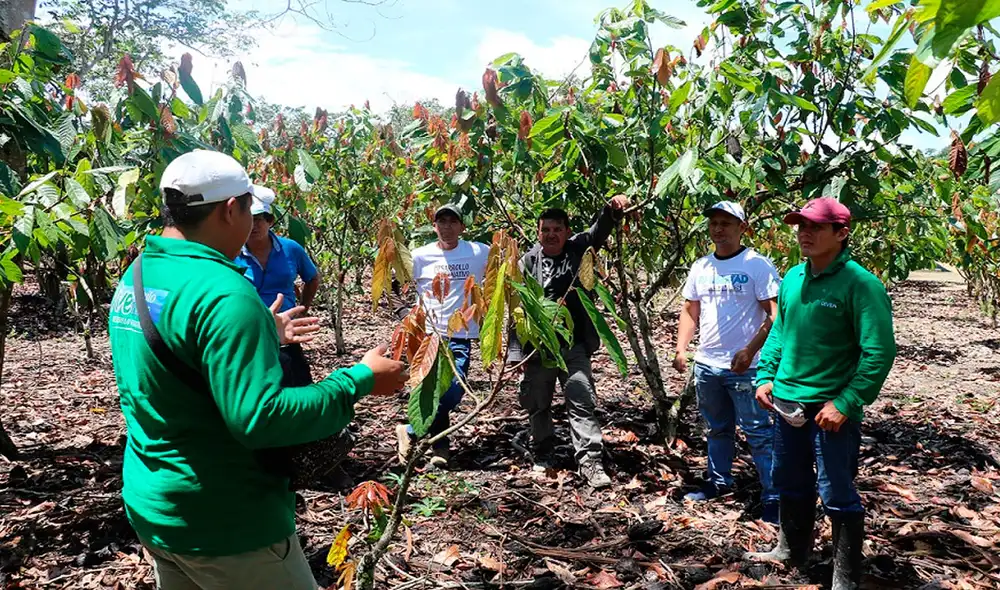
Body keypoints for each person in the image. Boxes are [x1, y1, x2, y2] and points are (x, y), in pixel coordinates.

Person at [108, 150, 406, 590]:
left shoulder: (141, 273)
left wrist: (266, 330)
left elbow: (177, 349)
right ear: (232, 209)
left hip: (156, 506)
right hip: (227, 518)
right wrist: (358, 379)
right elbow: (261, 418)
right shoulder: (226, 292)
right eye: (250, 208)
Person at [747, 198, 896, 590]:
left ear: (842, 233)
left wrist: (846, 402)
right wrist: (766, 376)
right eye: (801, 226)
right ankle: (791, 551)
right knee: (789, 481)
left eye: (815, 227)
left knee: (836, 492)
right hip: (787, 402)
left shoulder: (861, 284)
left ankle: (845, 577)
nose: (805, 234)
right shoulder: (795, 277)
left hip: (830, 409)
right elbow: (781, 332)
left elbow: (879, 352)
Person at [507, 195, 630, 489]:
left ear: (566, 231)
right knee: (538, 403)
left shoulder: (577, 249)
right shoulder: (527, 262)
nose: (551, 235)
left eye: (557, 229)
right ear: (538, 233)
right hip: (539, 347)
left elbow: (599, 229)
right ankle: (543, 453)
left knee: (581, 399)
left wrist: (611, 209)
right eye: (545, 230)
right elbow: (517, 309)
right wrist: (515, 353)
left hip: (574, 346)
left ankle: (590, 463)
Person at [673, 201, 781, 523]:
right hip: (708, 365)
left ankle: (773, 497)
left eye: (726, 223)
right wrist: (682, 348)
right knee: (717, 428)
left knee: (758, 432)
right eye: (714, 223)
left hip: (747, 369)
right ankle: (719, 482)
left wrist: (750, 350)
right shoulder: (701, 267)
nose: (718, 229)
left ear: (742, 228)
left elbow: (774, 316)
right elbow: (691, 310)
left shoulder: (756, 266)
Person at [395, 203, 489, 469]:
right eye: (441, 222)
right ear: (434, 226)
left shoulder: (477, 252)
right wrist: (407, 316)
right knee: (431, 390)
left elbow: (504, 265)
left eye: (452, 222)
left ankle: (411, 430)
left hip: (460, 333)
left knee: (452, 391)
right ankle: (441, 450)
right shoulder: (420, 256)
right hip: (428, 336)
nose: (446, 227)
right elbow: (395, 285)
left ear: (462, 226)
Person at [235, 185, 320, 387]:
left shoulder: (291, 249)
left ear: (270, 221)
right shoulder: (233, 252)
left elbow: (312, 278)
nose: (253, 226)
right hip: (251, 330)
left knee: (295, 380)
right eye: (249, 220)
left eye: (259, 220)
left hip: (285, 329)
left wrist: (303, 307)